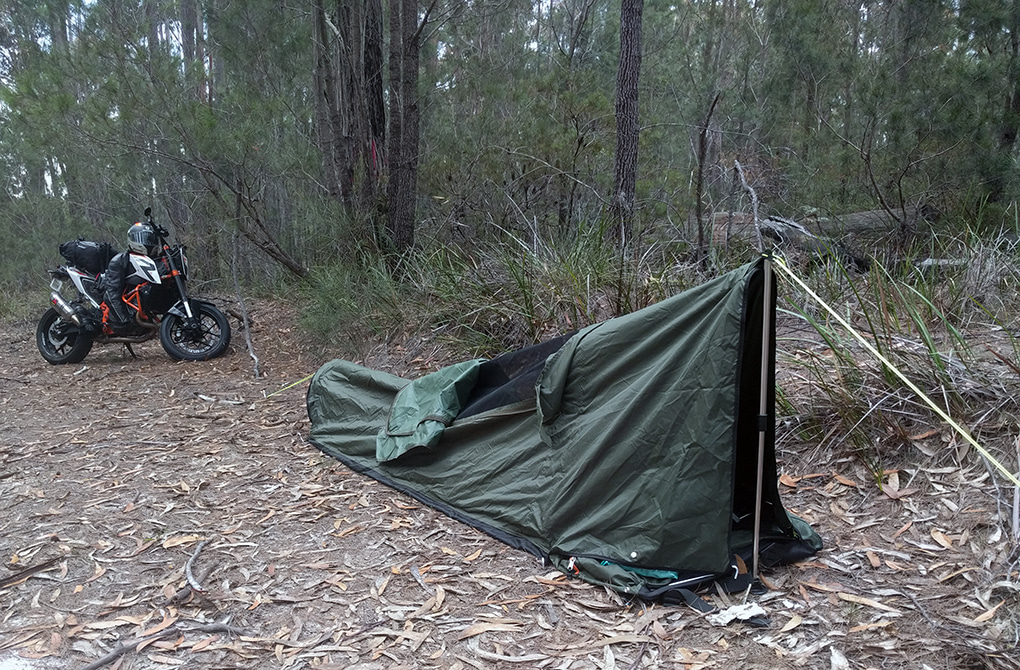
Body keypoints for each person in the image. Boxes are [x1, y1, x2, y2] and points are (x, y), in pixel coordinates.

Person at [101, 222, 160, 334]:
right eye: (141, 238)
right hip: (119, 313)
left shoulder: (151, 261)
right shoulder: (120, 260)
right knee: (113, 291)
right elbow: (111, 293)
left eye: (149, 239)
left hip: (133, 310)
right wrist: (123, 320)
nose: (146, 243)